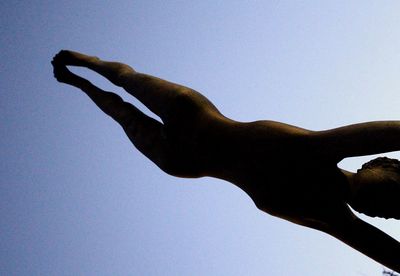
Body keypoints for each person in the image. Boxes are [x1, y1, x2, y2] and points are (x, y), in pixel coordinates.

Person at [52, 50, 400, 271]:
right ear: (380, 166)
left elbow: (386, 251)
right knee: (126, 79)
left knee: (121, 113)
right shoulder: (321, 150)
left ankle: (83, 86)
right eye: (396, 194)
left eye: (388, 214)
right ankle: (90, 63)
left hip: (181, 160)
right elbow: (386, 134)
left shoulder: (330, 215)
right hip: (190, 112)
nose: (386, 209)